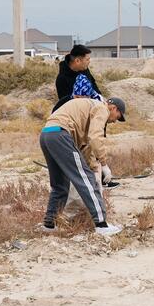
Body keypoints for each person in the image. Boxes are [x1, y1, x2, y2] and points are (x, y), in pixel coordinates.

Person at [39, 96, 127, 236]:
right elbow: (95, 137)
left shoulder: (89, 109)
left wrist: (93, 167)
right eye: (118, 116)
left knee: (60, 185)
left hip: (46, 135)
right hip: (61, 135)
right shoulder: (102, 108)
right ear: (114, 108)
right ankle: (101, 225)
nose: (115, 120)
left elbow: (86, 148)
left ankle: (49, 224)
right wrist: (104, 164)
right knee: (86, 180)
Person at [54, 45, 103, 111]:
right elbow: (64, 103)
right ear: (77, 61)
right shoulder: (62, 79)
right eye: (87, 59)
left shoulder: (84, 69)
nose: (89, 61)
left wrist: (100, 99)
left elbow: (93, 84)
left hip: (92, 108)